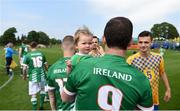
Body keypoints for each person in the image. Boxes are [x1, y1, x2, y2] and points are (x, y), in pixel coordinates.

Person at [61, 17, 153, 110]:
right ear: (130, 42)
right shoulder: (141, 79)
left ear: (103, 39)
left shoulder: (82, 65)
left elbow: (65, 98)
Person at [127, 31, 171, 110]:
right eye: (140, 42)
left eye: (146, 42)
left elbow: (162, 73)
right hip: (137, 102)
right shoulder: (131, 60)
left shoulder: (158, 58)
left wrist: (168, 89)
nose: (143, 45)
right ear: (138, 43)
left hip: (154, 101)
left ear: (151, 42)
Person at [47, 35, 75, 110]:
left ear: (62, 47)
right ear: (76, 47)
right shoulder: (81, 65)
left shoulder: (52, 68)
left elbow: (51, 96)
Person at [23, 41, 48, 110]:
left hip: (33, 76)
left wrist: (24, 76)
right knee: (42, 90)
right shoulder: (41, 54)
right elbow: (46, 65)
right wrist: (47, 71)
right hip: (42, 75)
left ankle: (34, 109)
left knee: (33, 94)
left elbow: (24, 68)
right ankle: (41, 106)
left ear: (30, 47)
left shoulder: (27, 55)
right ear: (36, 46)